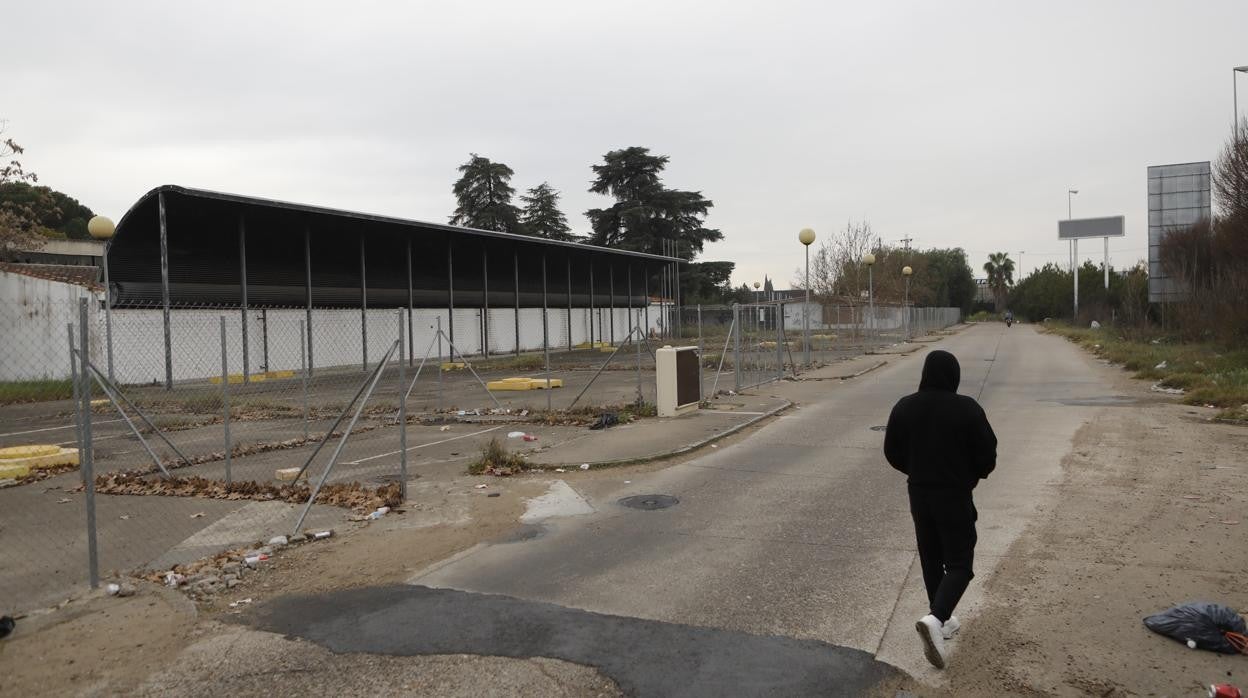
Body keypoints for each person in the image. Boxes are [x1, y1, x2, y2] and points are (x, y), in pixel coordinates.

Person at [883, 350, 997, 669]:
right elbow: (988, 454)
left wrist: (916, 470)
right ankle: (936, 619)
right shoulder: (967, 410)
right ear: (953, 376)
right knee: (960, 562)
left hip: (919, 493)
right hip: (955, 494)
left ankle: (942, 622)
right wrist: (972, 475)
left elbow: (891, 451)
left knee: (931, 557)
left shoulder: (905, 406)